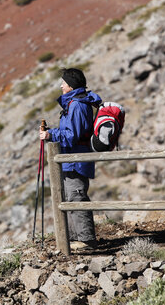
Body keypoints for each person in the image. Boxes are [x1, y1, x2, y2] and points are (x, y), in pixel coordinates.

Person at [39, 68, 102, 250]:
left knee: (76, 197)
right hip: (72, 158)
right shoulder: (75, 103)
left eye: (63, 83)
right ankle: (76, 238)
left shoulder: (77, 105)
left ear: (71, 85)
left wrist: (51, 134)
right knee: (71, 197)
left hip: (76, 159)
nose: (61, 85)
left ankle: (86, 240)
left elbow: (72, 135)